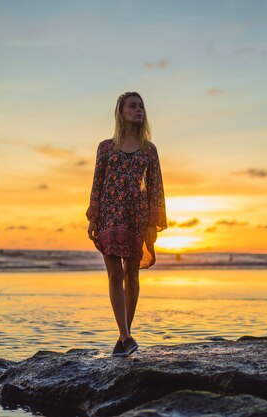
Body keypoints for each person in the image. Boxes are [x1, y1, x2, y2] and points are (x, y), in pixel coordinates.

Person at [86, 91, 167, 357]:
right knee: (114, 276)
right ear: (121, 113)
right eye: (132, 106)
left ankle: (125, 336)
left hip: (137, 217)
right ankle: (125, 335)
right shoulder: (105, 147)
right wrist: (93, 217)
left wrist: (153, 224)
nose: (138, 109)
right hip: (110, 216)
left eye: (141, 105)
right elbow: (97, 183)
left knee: (132, 275)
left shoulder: (149, 149)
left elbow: (156, 188)